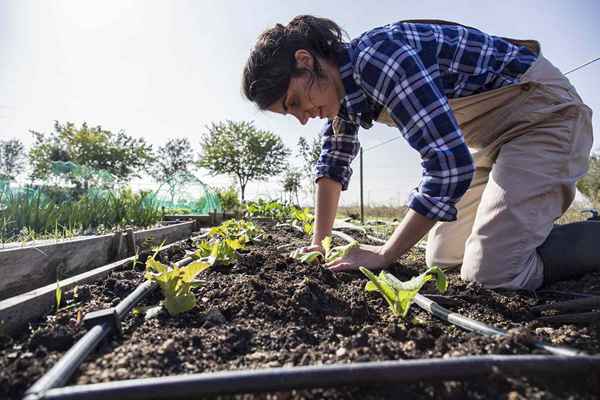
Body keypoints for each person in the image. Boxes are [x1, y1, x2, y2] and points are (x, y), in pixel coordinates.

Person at [242, 15, 598, 290]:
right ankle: (523, 236)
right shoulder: (345, 96)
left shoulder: (379, 59)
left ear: (305, 61)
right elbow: (333, 164)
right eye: (291, 114)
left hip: (544, 118)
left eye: (295, 102)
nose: (303, 117)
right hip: (493, 144)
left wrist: (385, 254)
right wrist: (319, 243)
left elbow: (447, 165)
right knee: (443, 257)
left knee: (493, 273)